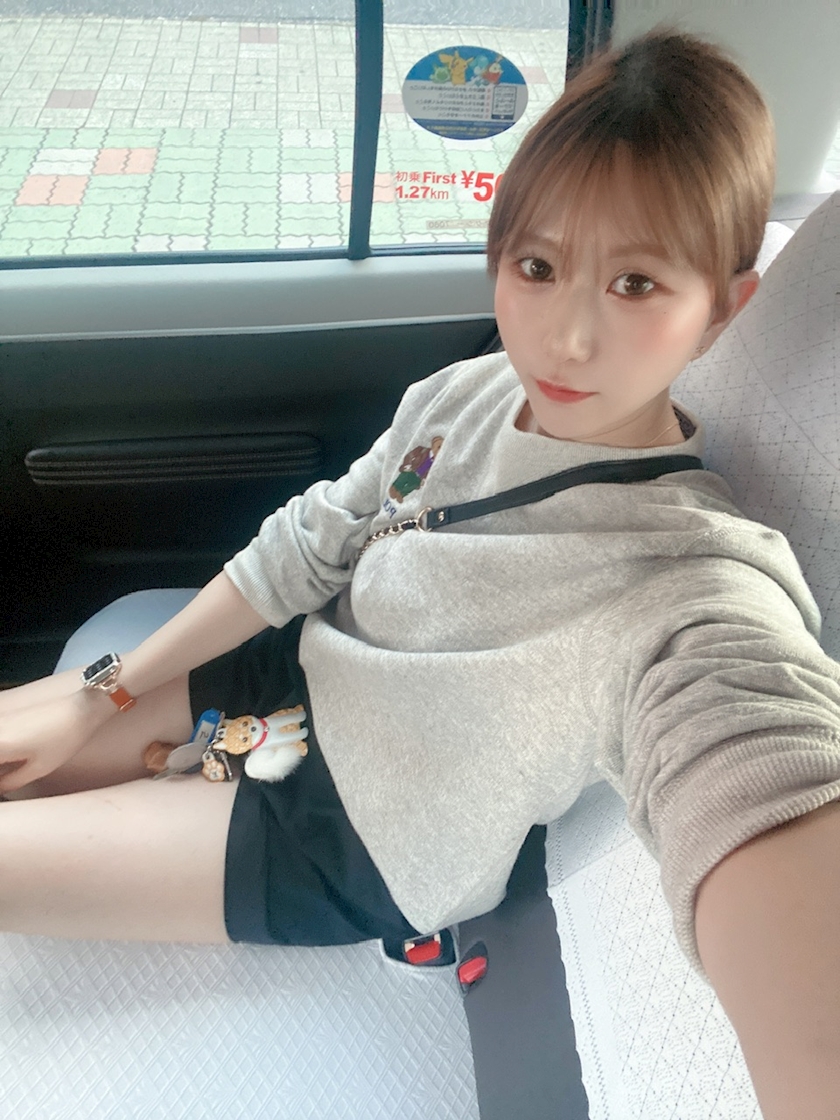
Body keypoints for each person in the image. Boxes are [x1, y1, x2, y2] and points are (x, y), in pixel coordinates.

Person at [2, 29, 840, 1117]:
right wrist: (97, 692)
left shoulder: (693, 584)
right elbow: (312, 540)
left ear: (725, 307)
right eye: (537, 267)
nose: (567, 337)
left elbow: (756, 768)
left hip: (348, 838)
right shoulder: (467, 395)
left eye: (636, 283)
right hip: (288, 680)